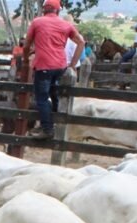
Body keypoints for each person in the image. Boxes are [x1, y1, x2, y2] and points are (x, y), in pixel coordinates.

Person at [23, 0, 84, 141]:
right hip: (60, 66)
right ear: (58, 10)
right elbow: (81, 42)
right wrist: (73, 65)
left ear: (44, 9)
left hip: (44, 66)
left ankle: (47, 128)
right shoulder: (66, 24)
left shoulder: (37, 22)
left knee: (42, 98)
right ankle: (57, 123)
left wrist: (26, 59)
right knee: (55, 94)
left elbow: (26, 45)